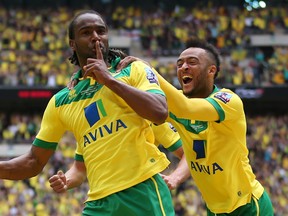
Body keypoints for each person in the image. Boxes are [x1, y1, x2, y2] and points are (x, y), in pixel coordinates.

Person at [0, 10, 176, 216]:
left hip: (143, 191)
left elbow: (159, 112)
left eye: (101, 31)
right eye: (86, 32)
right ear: (72, 44)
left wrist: (108, 80)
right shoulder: (61, 100)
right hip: (98, 203)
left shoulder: (133, 70)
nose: (95, 37)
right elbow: (33, 161)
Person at [118, 38, 274, 215]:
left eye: (192, 62)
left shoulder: (229, 101)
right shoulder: (176, 101)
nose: (183, 67)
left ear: (211, 70)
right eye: (179, 64)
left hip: (248, 206)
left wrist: (148, 71)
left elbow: (186, 108)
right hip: (214, 209)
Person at [49, 122, 191, 193]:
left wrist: (175, 178)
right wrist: (66, 181)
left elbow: (189, 153)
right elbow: (79, 169)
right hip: (101, 198)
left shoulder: (146, 114)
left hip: (142, 193)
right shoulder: (90, 124)